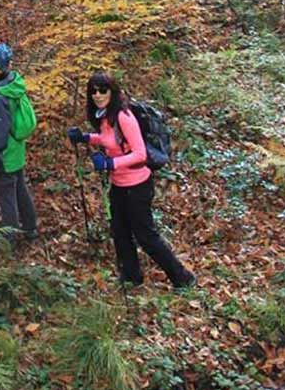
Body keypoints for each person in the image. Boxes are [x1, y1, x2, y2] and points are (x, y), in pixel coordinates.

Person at [68, 72, 195, 290]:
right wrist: (87, 138)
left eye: (102, 90)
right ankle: (131, 277)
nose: (98, 95)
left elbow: (140, 154)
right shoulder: (104, 117)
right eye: (93, 91)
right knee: (120, 231)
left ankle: (183, 278)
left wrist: (110, 164)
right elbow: (111, 140)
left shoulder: (124, 117)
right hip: (119, 185)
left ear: (112, 91)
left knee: (145, 236)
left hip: (137, 186)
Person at [0, 43, 37, 241]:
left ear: (0, 68)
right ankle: (30, 227)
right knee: (20, 187)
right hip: (16, 151)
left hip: (5, 154)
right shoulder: (13, 85)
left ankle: (8, 238)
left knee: (6, 196)